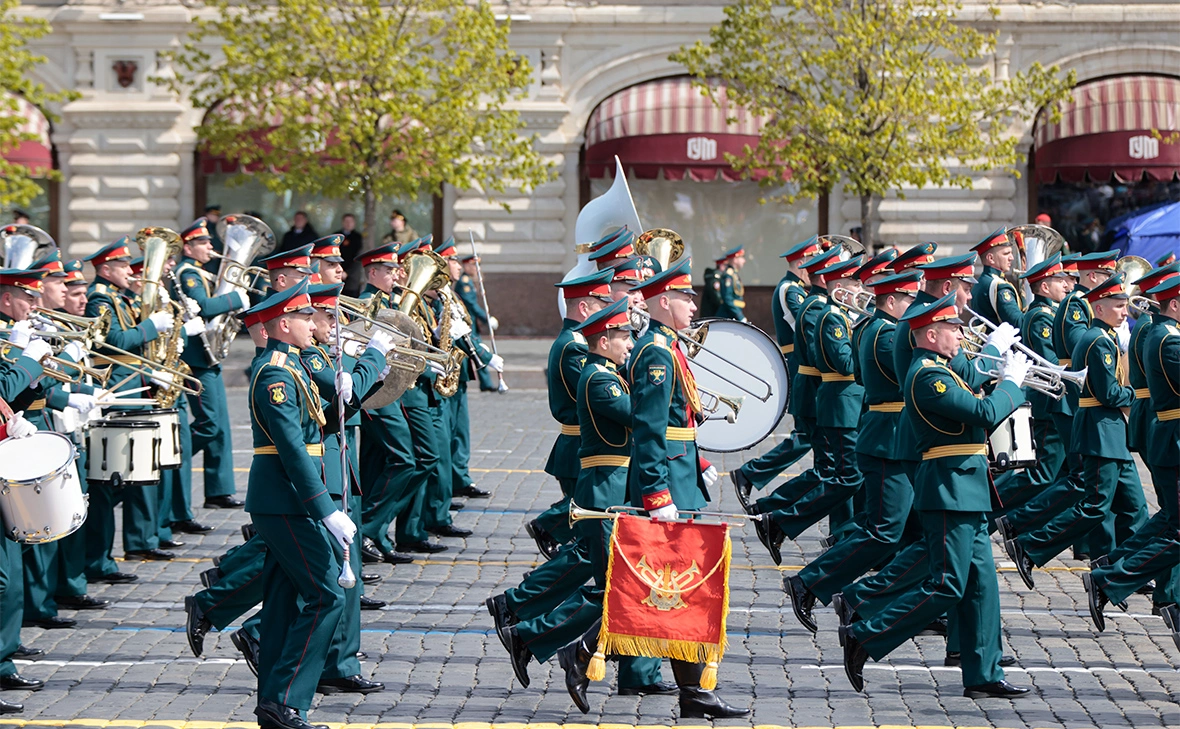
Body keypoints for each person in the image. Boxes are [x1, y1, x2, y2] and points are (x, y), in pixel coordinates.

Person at [841, 291, 1031, 699]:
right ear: (930, 334)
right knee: (948, 584)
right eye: (952, 329)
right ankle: (866, 633)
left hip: (967, 486)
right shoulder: (928, 375)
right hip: (948, 488)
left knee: (981, 586)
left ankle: (983, 673)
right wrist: (1012, 385)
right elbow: (982, 414)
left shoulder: (942, 368)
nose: (960, 335)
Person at [503, 297, 672, 709]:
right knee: (616, 585)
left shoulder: (608, 372)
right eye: (623, 337)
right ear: (603, 339)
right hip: (602, 491)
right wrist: (660, 383)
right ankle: (539, 637)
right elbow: (635, 414)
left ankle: (539, 639)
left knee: (618, 585)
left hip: (614, 486)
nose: (631, 343)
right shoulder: (599, 379)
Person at [622, 257, 744, 719]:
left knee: (674, 590)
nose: (694, 305)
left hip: (681, 476)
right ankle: (579, 647)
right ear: (663, 301)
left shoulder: (668, 346)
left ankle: (694, 693)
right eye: (686, 298)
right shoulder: (655, 351)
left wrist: (699, 461)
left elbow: (680, 421)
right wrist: (658, 496)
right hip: (668, 485)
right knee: (670, 588)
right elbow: (649, 429)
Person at [243, 280, 355, 729]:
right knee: (326, 595)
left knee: (284, 602)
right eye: (307, 317)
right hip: (285, 500)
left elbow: (317, 432)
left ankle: (274, 702)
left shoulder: (294, 367)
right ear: (283, 325)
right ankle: (287, 700)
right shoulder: (274, 374)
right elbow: (291, 449)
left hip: (287, 499)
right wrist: (325, 511)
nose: (316, 324)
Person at [783, 270, 921, 629]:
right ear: (891, 301)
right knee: (884, 531)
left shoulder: (872, 328)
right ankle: (811, 583)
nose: (916, 306)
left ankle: (913, 606)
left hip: (898, 437)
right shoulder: (887, 333)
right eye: (910, 299)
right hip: (889, 439)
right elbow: (908, 378)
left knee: (913, 534)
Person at [998, 273, 1146, 588]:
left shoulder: (1100, 336)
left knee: (1128, 503)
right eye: (1118, 306)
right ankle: (1030, 541)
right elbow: (1109, 394)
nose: (1124, 312)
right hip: (1101, 431)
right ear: (1101, 308)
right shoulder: (1098, 340)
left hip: (1108, 432)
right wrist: (1137, 395)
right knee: (1092, 503)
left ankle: (1121, 566)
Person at [1084, 273, 1180, 632]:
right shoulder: (1168, 341)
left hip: (1169, 437)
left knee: (1170, 519)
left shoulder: (1165, 334)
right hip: (1173, 440)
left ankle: (1112, 565)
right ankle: (1110, 579)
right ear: (1174, 304)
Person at [755, 255, 865, 568]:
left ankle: (835, 534)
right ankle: (779, 518)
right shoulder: (826, 312)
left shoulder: (837, 312)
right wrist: (863, 333)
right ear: (841, 285)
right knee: (842, 475)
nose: (861, 288)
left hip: (844, 402)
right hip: (836, 401)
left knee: (843, 475)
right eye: (855, 282)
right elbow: (840, 362)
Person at [83, 239, 174, 578]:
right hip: (117, 391)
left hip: (132, 385)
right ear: (106, 270)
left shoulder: (116, 297)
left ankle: (133, 543)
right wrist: (151, 326)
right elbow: (113, 343)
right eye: (122, 266)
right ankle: (105, 558)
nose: (128, 271)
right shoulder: (99, 299)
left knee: (135, 473)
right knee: (115, 479)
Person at [731, 237, 821, 507]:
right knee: (807, 435)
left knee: (813, 438)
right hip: (799, 363)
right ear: (802, 263)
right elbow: (805, 328)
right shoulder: (790, 290)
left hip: (805, 362)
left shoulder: (796, 289)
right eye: (812, 263)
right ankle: (750, 473)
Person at [353, 243, 420, 565]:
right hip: (375, 394)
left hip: (387, 391)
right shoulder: (367, 304)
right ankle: (366, 529)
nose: (397, 275)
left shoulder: (389, 301)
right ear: (373, 273)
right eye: (390, 270)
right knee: (403, 460)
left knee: (377, 464)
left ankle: (377, 535)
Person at [177, 218, 251, 509]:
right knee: (208, 424)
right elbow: (205, 308)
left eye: (210, 242)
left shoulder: (201, 273)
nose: (211, 247)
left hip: (208, 357)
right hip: (194, 360)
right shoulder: (187, 274)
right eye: (204, 243)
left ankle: (219, 491)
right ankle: (173, 462)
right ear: (188, 247)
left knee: (220, 426)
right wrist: (235, 297)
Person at [456, 253, 498, 392]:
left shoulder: (469, 281)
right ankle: (482, 383)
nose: (476, 268)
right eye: (474, 265)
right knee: (477, 351)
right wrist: (487, 319)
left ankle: (485, 383)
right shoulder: (464, 282)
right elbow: (472, 305)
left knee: (478, 351)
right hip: (467, 324)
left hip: (471, 324)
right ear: (466, 265)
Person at [970, 227, 1023, 327]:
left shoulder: (982, 281)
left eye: (1011, 253)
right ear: (991, 258)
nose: (1011, 258)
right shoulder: (999, 286)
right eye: (1006, 254)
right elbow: (1018, 323)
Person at [713, 246, 747, 321]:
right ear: (735, 259)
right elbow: (728, 299)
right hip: (727, 316)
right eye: (742, 257)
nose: (744, 261)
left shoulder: (734, 275)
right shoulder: (728, 276)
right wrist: (740, 316)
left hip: (732, 316)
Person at [333, 214, 363, 296]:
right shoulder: (336, 236)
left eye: (351, 221)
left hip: (352, 279)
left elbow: (358, 257)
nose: (348, 224)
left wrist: (347, 272)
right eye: (346, 221)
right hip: (336, 275)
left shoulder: (358, 238)